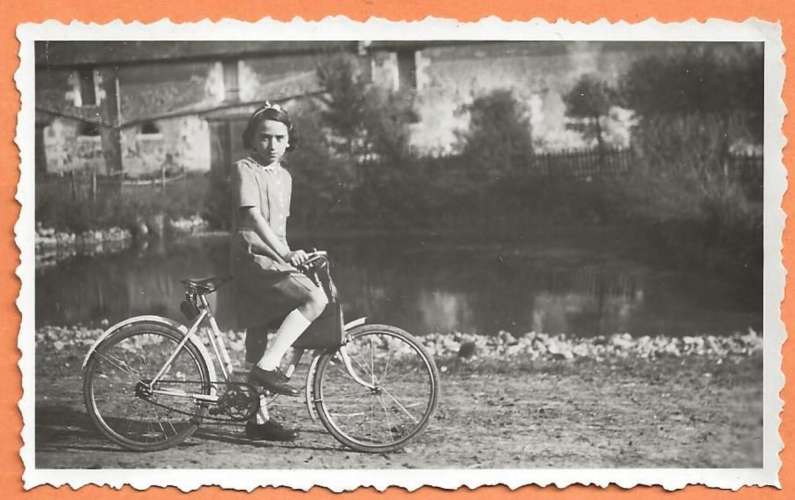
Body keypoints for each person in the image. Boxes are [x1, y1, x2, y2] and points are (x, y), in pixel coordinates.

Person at [229, 102, 328, 442]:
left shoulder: (284, 177)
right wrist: (286, 254)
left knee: (259, 333)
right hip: (252, 260)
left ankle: (258, 420)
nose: (271, 145)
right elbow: (254, 218)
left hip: (275, 258)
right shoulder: (244, 169)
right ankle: (266, 369)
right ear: (252, 139)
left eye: (279, 138)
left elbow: (279, 229)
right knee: (315, 299)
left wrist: (295, 256)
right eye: (264, 137)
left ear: (289, 142)